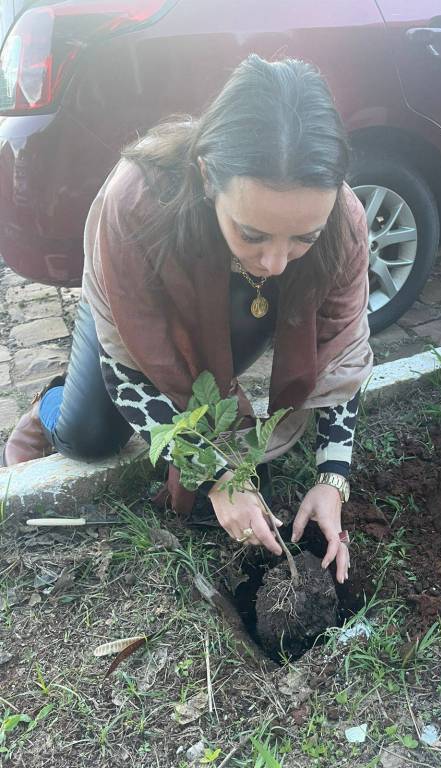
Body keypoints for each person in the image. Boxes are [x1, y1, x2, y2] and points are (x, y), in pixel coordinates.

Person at [2, 55, 373, 584]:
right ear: (206, 177)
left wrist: (332, 479)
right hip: (128, 308)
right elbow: (129, 370)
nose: (275, 263)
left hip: (235, 305)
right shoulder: (138, 201)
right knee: (90, 437)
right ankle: (49, 407)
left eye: (303, 238)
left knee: (214, 413)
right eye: (252, 233)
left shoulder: (344, 223)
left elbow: (341, 348)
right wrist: (215, 476)